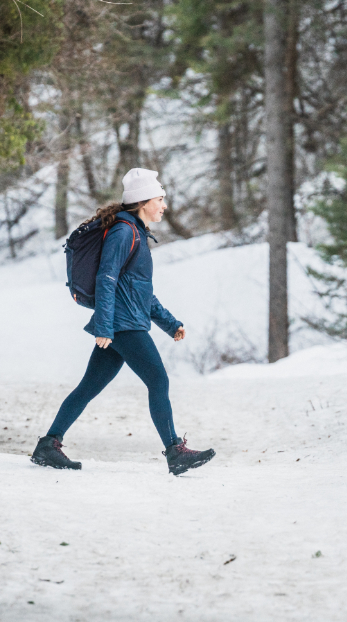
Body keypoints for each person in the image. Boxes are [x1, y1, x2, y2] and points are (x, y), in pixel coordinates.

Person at [31, 168, 215, 475]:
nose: (164, 205)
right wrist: (105, 326)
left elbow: (141, 292)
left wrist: (170, 324)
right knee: (158, 380)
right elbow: (106, 278)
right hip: (122, 324)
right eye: (159, 199)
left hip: (123, 320)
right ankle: (175, 452)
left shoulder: (136, 233)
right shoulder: (124, 232)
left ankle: (47, 446)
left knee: (88, 387)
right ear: (143, 202)